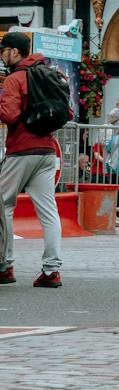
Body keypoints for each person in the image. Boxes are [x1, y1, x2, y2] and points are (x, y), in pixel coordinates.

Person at [0, 30, 64, 287]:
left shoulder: (15, 79)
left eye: (3, 50)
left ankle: (5, 265)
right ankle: (51, 271)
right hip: (47, 150)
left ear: (15, 51)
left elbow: (10, 115)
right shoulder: (47, 72)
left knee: (3, 205)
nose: (2, 55)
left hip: (21, 150)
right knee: (49, 212)